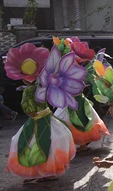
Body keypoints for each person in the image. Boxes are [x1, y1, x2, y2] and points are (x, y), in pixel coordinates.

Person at [5, 43, 77, 182]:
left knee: (28, 143)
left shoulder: (29, 90)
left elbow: (27, 108)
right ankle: (48, 172)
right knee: (54, 141)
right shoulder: (44, 85)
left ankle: (35, 171)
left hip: (37, 119)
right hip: (47, 117)